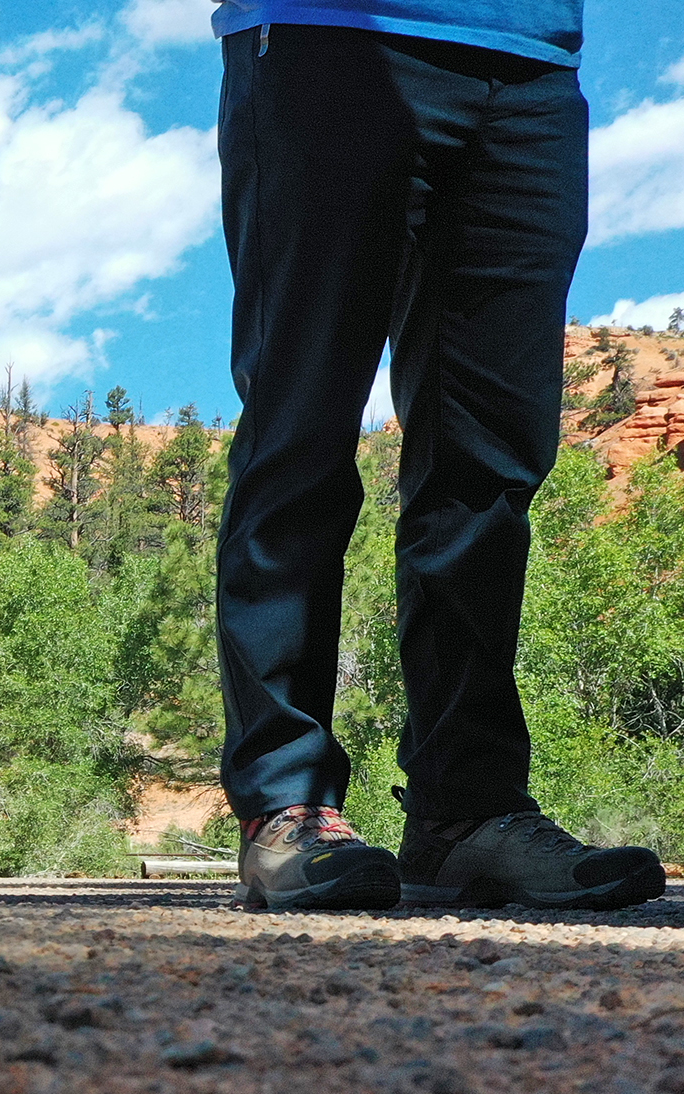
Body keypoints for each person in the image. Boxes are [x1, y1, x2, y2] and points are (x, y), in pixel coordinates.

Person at [212, 0, 666, 910]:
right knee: (300, 430)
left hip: (531, 62)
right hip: (325, 37)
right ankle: (284, 803)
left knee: (489, 468)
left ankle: (466, 813)